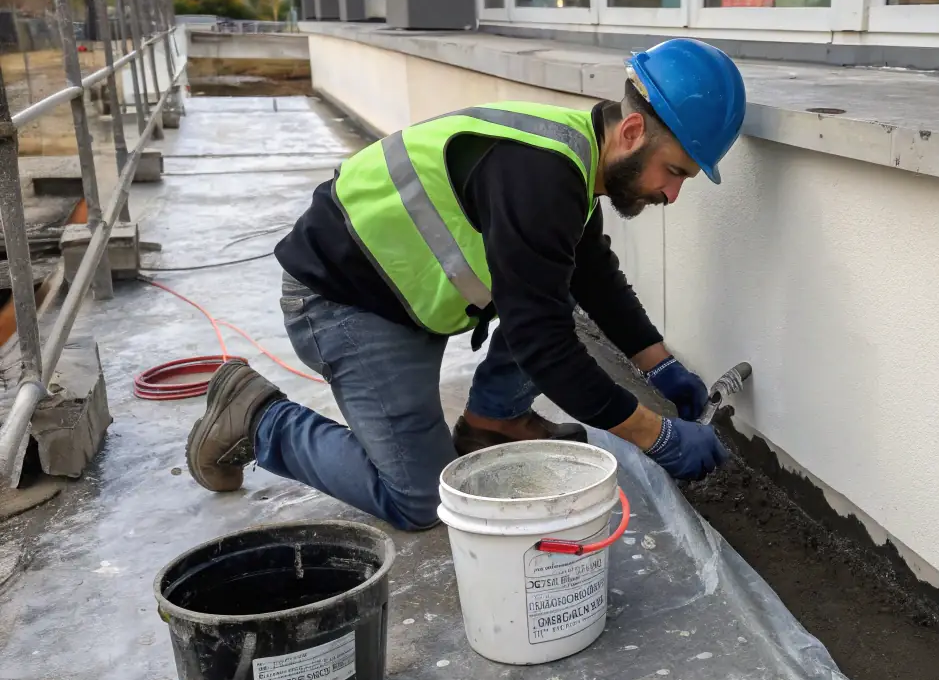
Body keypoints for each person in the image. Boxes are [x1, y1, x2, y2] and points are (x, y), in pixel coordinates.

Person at [184, 38, 746, 531]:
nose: (672, 195)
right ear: (631, 131)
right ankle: (258, 418)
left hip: (403, 294)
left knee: (563, 280)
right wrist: (657, 435)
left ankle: (493, 423)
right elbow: (543, 345)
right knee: (423, 500)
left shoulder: (575, 156)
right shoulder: (541, 178)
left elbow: (594, 275)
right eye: (674, 172)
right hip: (343, 303)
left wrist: (660, 366)